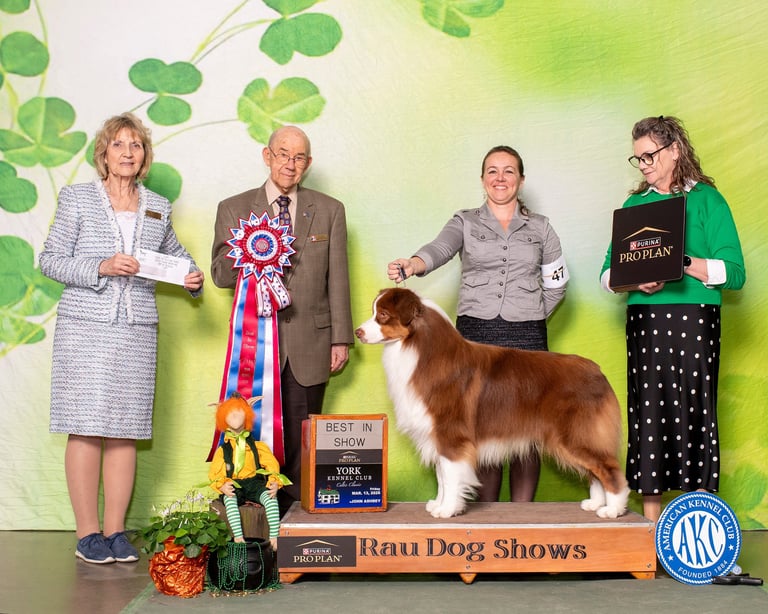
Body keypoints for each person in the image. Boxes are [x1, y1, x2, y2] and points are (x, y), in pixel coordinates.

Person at [39, 112, 204, 564]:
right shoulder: (76, 198)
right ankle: (86, 534)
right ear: (104, 153)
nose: (128, 152)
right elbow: (50, 260)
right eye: (119, 144)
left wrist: (192, 277)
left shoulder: (157, 205)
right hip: (85, 328)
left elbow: (176, 256)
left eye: (136, 145)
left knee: (125, 430)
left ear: (144, 155)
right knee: (86, 426)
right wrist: (102, 266)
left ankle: (115, 532)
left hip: (136, 330)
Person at [387, 145, 569, 502]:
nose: (500, 178)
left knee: (529, 427)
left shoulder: (542, 227)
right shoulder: (465, 221)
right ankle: (489, 516)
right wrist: (413, 264)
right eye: (492, 171)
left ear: (521, 180)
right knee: (481, 424)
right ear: (483, 179)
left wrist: (532, 312)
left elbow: (557, 283)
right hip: (476, 334)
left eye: (508, 171)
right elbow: (439, 249)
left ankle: (522, 513)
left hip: (528, 337)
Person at [600, 115, 746, 522]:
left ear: (675, 150)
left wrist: (680, 262)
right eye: (638, 158)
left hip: (695, 320)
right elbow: (607, 274)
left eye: (650, 155)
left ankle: (698, 523)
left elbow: (735, 273)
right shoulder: (634, 206)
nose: (643, 164)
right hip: (645, 322)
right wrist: (635, 281)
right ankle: (651, 527)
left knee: (696, 411)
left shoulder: (708, 200)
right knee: (648, 417)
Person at [211, 125, 353, 516]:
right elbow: (219, 275)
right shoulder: (234, 208)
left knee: (303, 441)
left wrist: (340, 339)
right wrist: (245, 254)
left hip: (312, 342)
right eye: (283, 154)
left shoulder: (330, 210)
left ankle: (297, 528)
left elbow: (338, 279)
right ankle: (256, 525)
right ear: (267, 155)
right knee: (251, 441)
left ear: (309, 163)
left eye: (299, 157)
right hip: (254, 347)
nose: (290, 164)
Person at [208, 392, 286, 551]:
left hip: (254, 483)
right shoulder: (223, 450)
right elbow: (215, 472)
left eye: (239, 411)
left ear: (247, 414)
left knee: (270, 498)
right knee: (230, 500)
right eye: (230, 412)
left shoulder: (257, 446)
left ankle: (274, 536)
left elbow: (271, 464)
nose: (235, 415)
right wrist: (222, 485)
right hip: (234, 484)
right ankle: (238, 537)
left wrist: (274, 482)